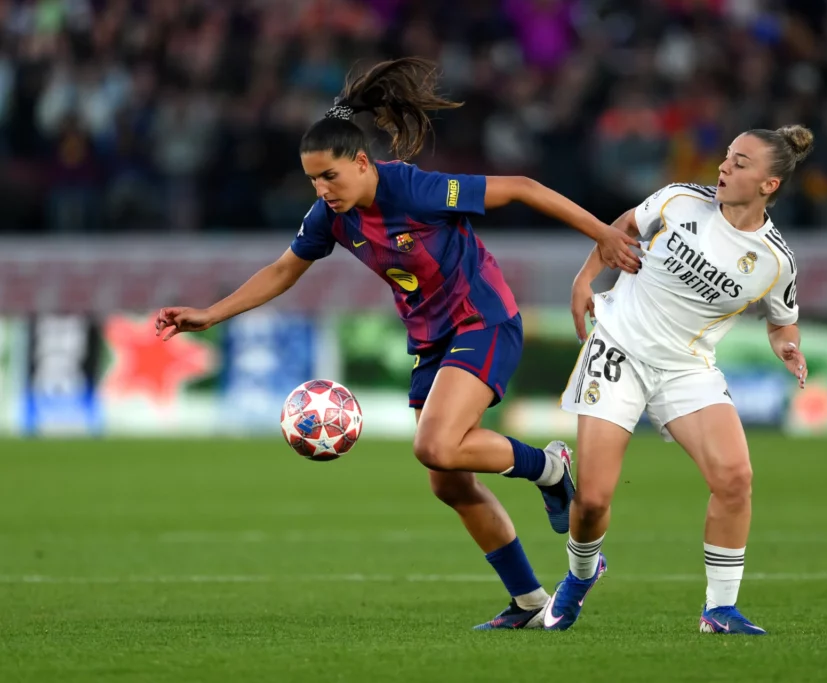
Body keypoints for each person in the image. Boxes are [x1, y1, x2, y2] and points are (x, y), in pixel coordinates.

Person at [153, 57, 641, 630]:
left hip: (481, 319)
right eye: (312, 180)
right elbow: (284, 270)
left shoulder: (415, 188)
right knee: (450, 483)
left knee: (434, 446)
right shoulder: (329, 217)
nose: (322, 190)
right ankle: (530, 603)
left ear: (362, 162)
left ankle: (549, 467)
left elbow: (525, 188)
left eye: (330, 176)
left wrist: (605, 234)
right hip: (430, 341)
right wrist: (211, 314)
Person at [544, 125, 814, 634]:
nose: (723, 168)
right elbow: (621, 226)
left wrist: (787, 346)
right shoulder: (679, 200)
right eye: (727, 157)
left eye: (739, 163)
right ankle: (581, 574)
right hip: (619, 347)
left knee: (735, 479)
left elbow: (782, 320)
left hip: (687, 368)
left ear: (768, 185)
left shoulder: (776, 260)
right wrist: (585, 280)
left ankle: (719, 609)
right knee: (595, 500)